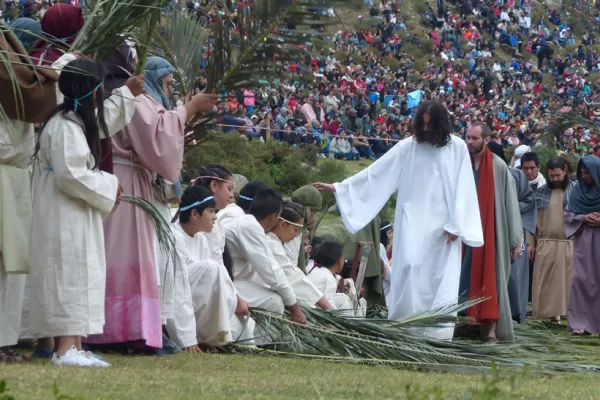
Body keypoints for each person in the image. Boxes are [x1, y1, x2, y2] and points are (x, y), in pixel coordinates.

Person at [314, 101, 484, 341]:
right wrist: (340, 188)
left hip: (444, 226)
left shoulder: (456, 147)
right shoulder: (408, 147)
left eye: (430, 124)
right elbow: (378, 173)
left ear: (440, 124)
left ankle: (437, 333)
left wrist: (457, 224)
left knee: (439, 276)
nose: (425, 129)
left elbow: (464, 187)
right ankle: (406, 328)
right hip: (413, 219)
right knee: (409, 267)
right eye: (421, 124)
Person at [86, 56, 218, 352]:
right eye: (167, 84)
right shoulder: (130, 94)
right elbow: (158, 138)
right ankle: (124, 331)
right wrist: (190, 109)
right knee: (127, 256)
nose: (169, 90)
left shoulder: (104, 90)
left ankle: (121, 328)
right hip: (126, 179)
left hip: (114, 175)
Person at [29, 58, 142, 367]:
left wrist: (126, 94)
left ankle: (75, 344)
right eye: (100, 88)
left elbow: (100, 117)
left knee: (80, 271)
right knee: (69, 272)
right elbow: (70, 174)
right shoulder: (65, 126)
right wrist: (109, 182)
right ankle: (64, 349)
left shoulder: (73, 122)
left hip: (74, 212)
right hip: (63, 213)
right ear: (90, 90)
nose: (101, 94)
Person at [167, 186, 254, 351]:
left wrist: (236, 299)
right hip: (173, 307)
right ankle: (198, 339)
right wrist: (187, 338)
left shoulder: (201, 240)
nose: (215, 218)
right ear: (194, 214)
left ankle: (210, 340)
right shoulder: (174, 237)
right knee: (211, 268)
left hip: (193, 304)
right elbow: (177, 291)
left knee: (242, 324)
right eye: (211, 211)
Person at [460, 121, 523, 343]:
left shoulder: (497, 166)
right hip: (462, 234)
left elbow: (510, 203)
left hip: (490, 234)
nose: (469, 142)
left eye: (474, 138)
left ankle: (490, 332)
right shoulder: (459, 163)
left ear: (487, 140)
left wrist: (516, 239)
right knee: (462, 279)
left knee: (491, 280)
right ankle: (463, 328)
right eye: (467, 137)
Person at [224, 189, 307, 326]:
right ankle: (262, 344)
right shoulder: (250, 227)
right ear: (272, 217)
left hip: (231, 280)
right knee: (274, 301)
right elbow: (272, 272)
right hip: (226, 283)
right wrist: (295, 309)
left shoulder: (245, 222)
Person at [531, 157, 574, 324]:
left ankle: (570, 315)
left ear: (565, 172)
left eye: (558, 175)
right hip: (546, 243)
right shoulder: (541, 193)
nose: (555, 179)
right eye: (551, 176)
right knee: (547, 282)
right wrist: (531, 243)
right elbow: (533, 221)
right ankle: (551, 315)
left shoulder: (575, 191)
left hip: (569, 243)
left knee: (568, 282)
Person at [268, 201, 333, 310]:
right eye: (296, 230)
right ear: (282, 224)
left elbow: (292, 272)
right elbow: (291, 275)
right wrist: (326, 305)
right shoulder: (271, 243)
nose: (296, 235)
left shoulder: (276, 242)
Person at [565, 155, 600, 335]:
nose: (584, 176)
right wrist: (583, 218)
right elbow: (568, 215)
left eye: (588, 173)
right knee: (582, 281)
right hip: (584, 241)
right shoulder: (577, 192)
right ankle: (582, 323)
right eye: (582, 173)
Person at [507, 162, 536, 324]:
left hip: (517, 236)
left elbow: (527, 202)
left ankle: (515, 312)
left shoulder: (517, 177)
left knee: (515, 274)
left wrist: (510, 207)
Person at [307, 240, 363, 315]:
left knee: (342, 299)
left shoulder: (315, 271)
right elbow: (329, 307)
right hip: (313, 313)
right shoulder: (328, 279)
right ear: (340, 260)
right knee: (344, 300)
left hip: (308, 307)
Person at [285, 185, 323, 273]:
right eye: (315, 211)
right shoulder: (294, 232)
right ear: (308, 210)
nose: (315, 216)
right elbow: (293, 267)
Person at [379, 221, 393, 300]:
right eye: (389, 233)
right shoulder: (379, 247)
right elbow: (387, 273)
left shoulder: (382, 247)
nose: (391, 236)